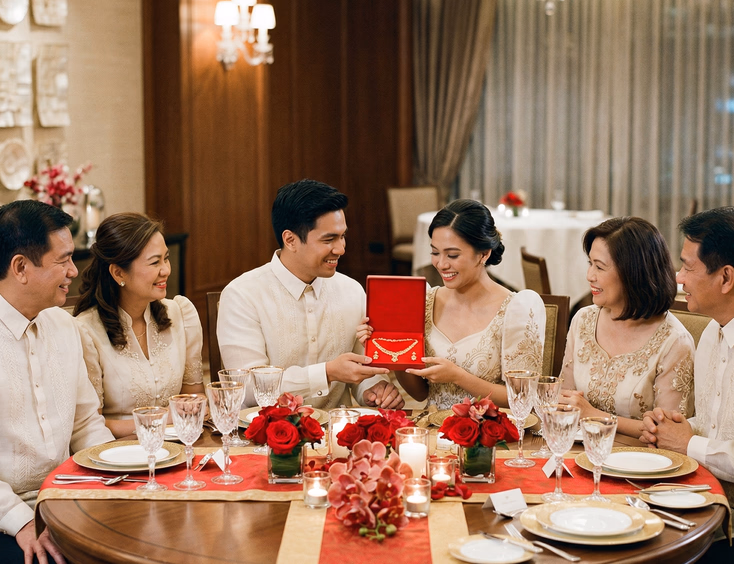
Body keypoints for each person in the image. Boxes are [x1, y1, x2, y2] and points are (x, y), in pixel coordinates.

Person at [217, 179, 403, 409]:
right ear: (290, 240)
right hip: (263, 437)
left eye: (342, 236)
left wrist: (374, 389)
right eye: (329, 239)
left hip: (338, 435)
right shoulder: (242, 295)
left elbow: (360, 365)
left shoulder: (352, 290)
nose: (341, 248)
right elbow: (248, 390)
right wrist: (327, 373)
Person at [0, 200, 114, 563]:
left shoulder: (64, 325)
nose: (74, 271)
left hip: (65, 498)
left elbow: (85, 423)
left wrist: (119, 474)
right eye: (63, 260)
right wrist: (19, 522)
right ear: (21, 268)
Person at [396, 199, 545, 409]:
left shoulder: (516, 310)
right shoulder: (426, 301)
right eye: (435, 253)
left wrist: (458, 376)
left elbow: (522, 399)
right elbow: (420, 394)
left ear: (484, 253)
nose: (441, 264)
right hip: (435, 433)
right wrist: (392, 351)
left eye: (453, 255)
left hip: (493, 436)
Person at [560, 217, 695, 438]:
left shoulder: (674, 342)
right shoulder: (583, 320)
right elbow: (565, 399)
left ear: (633, 273)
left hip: (643, 464)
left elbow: (666, 434)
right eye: (590, 264)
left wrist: (594, 415)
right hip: (578, 452)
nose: (589, 276)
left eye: (600, 267)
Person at [74, 213, 204, 438]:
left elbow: (194, 395)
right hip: (118, 455)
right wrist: (163, 419)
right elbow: (89, 426)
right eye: (155, 262)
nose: (166, 270)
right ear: (118, 272)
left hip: (179, 447)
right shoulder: (86, 331)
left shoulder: (180, 313)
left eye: (166, 258)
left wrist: (191, 406)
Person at [641, 207, 734, 506]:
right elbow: (714, 426)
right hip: (699, 496)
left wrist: (688, 443)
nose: (678, 278)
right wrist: (672, 428)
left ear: (726, 277)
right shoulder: (711, 333)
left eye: (688, 268)